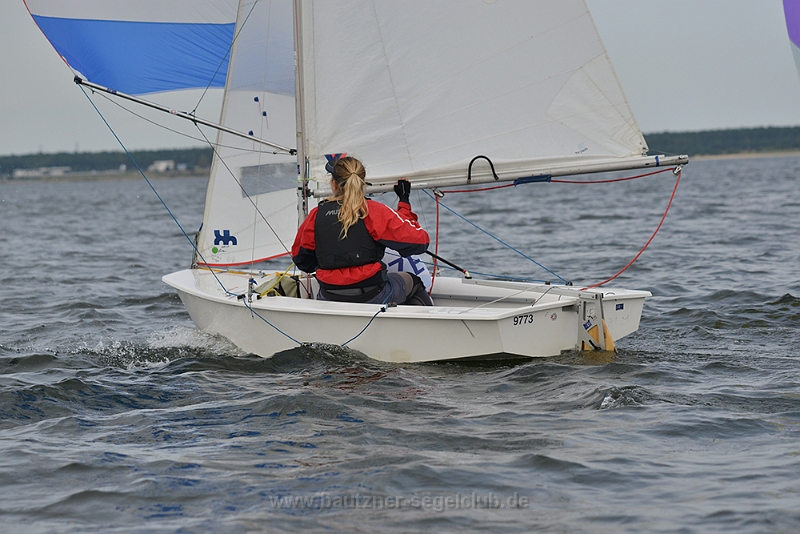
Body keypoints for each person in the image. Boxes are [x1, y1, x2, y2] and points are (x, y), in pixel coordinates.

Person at [291, 156, 433, 305]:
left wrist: (331, 263)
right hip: (373, 295)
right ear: (362, 183)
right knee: (413, 281)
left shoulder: (316, 215)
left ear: (334, 184)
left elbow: (302, 260)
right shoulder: (373, 211)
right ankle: (428, 320)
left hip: (329, 295)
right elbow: (420, 242)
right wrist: (404, 200)